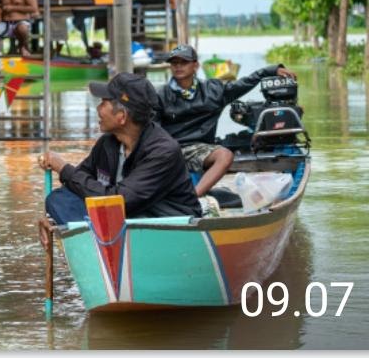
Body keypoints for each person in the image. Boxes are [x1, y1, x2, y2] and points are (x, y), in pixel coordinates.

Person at [39, 73, 201, 229]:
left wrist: (63, 167)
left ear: (121, 117)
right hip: (123, 218)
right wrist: (52, 221)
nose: (98, 108)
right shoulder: (107, 143)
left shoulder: (163, 151)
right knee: (58, 199)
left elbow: (119, 200)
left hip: (163, 221)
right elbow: (78, 184)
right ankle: (93, 243)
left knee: (110, 208)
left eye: (103, 102)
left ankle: (96, 243)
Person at [156, 44, 296, 197]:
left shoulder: (214, 90)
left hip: (201, 150)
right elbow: (152, 129)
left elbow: (244, 83)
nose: (178, 67)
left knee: (225, 155)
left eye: (183, 62)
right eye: (174, 63)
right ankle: (192, 198)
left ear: (195, 65)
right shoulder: (160, 94)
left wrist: (269, 70)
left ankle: (194, 197)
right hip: (171, 149)